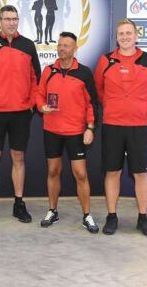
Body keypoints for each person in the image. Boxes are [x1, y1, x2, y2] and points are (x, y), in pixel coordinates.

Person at [0, 4, 41, 224]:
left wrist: (31, 105)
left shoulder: (28, 45)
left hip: (21, 114)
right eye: (7, 19)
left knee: (18, 158)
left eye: (14, 19)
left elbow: (36, 79)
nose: (11, 22)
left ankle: (19, 204)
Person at [94, 18, 147, 237]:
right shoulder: (105, 60)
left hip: (139, 125)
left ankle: (143, 218)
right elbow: (99, 90)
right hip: (113, 124)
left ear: (136, 36)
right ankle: (111, 216)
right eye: (121, 33)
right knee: (112, 171)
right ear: (117, 37)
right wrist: (115, 107)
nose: (125, 37)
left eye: (128, 33)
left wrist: (139, 108)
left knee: (141, 173)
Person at [36, 32, 99, 233]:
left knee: (80, 174)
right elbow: (38, 94)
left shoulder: (84, 73)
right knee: (53, 171)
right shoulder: (49, 71)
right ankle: (52, 211)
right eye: (60, 45)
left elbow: (92, 103)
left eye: (66, 46)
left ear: (75, 49)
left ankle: (87, 215)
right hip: (52, 130)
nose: (62, 49)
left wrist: (90, 127)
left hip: (75, 131)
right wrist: (41, 106)